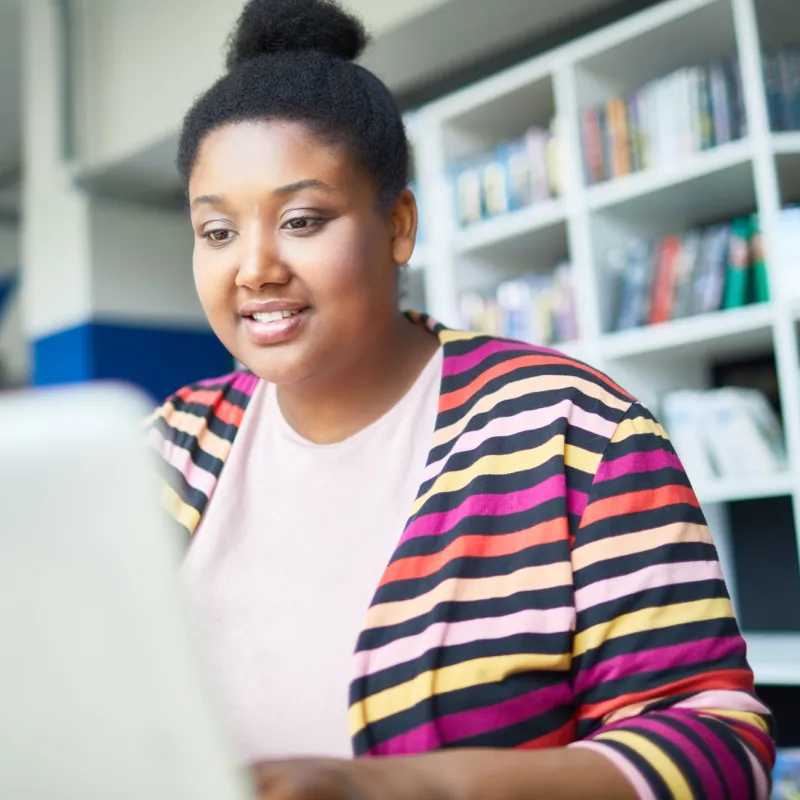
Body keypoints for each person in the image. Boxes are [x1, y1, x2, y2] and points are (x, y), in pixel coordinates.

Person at [145, 0, 775, 797]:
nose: (255, 268)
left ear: (398, 224)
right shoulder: (166, 447)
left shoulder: (574, 430)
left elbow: (720, 748)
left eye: (303, 219)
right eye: (218, 232)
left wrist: (414, 789)